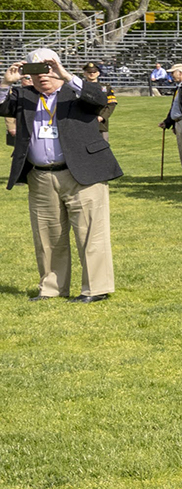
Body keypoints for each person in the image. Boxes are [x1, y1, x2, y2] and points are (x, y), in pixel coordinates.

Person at [6, 48, 120, 301]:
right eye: (34, 72)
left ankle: (96, 289)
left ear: (57, 66)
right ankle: (52, 288)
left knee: (91, 233)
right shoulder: (24, 95)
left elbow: (100, 100)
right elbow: (3, 109)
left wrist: (66, 75)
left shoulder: (76, 91)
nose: (41, 77)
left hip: (82, 173)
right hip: (41, 176)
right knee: (47, 236)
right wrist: (6, 83)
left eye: (46, 70)